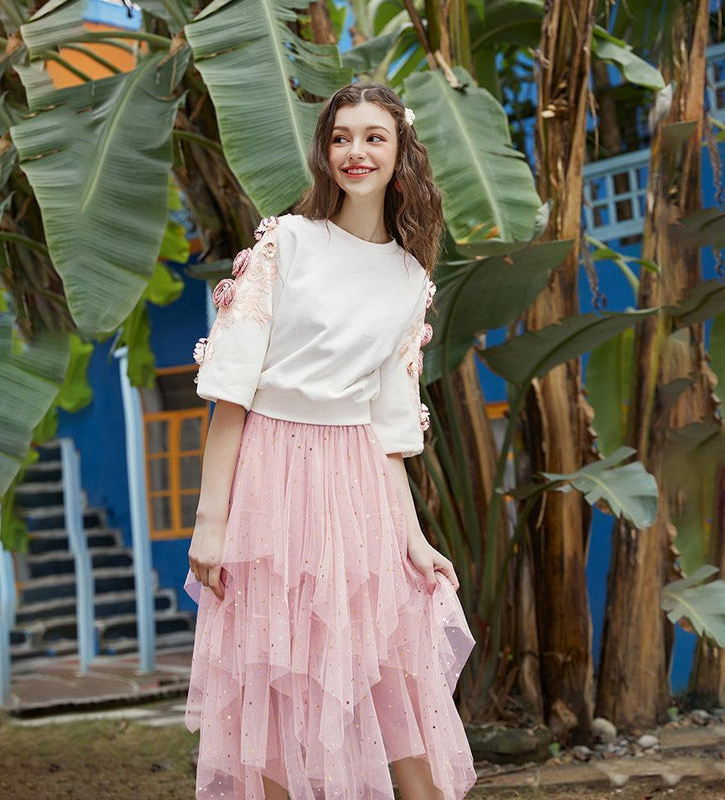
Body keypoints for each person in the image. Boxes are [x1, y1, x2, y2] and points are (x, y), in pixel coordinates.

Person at [183, 82, 477, 800]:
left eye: (374, 136)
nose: (357, 151)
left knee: (395, 672)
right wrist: (210, 522)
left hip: (358, 487)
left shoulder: (411, 279)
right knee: (276, 681)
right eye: (342, 136)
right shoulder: (287, 242)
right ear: (325, 151)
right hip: (271, 477)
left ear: (401, 150)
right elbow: (231, 391)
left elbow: (388, 427)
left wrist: (413, 540)